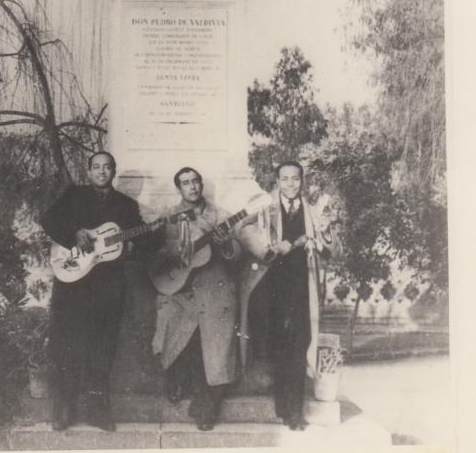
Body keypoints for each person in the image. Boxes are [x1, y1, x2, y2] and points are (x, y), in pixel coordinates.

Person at [40, 151, 152, 432]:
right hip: (73, 284)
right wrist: (74, 233)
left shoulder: (126, 206)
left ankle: (97, 410)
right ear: (89, 171)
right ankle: (64, 408)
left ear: (114, 172)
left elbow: (141, 237)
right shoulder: (73, 195)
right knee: (67, 343)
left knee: (103, 347)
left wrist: (139, 242)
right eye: (96, 167)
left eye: (107, 167)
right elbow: (47, 220)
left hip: (108, 287)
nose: (101, 172)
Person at [237, 161, 340, 430]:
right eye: (285, 179)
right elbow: (242, 229)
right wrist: (269, 248)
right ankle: (285, 407)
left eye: (295, 178)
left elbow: (332, 250)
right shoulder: (264, 205)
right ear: (277, 182)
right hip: (271, 286)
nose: (291, 184)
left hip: (302, 287)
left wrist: (326, 230)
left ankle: (294, 412)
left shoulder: (313, 210)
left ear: (301, 181)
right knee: (279, 347)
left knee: (300, 343)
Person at [151, 167, 241, 431]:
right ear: (178, 189)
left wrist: (225, 244)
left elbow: (236, 255)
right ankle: (177, 380)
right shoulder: (168, 217)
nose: (191, 187)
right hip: (181, 291)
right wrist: (172, 253)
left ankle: (206, 408)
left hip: (215, 290)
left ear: (201, 185)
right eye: (185, 183)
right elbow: (155, 258)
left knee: (213, 349)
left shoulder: (221, 216)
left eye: (195, 182)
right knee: (176, 331)